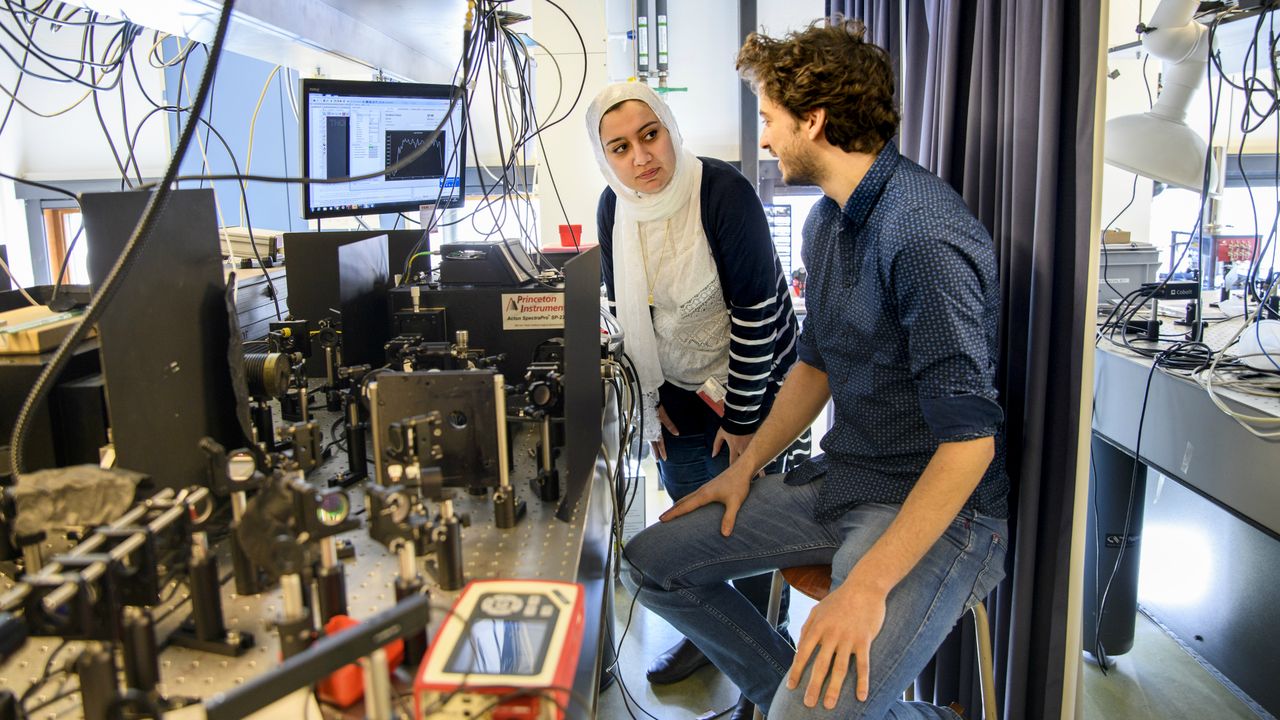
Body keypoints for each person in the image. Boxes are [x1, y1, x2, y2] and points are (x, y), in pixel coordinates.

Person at [623, 18, 1009, 720]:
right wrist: (745, 467)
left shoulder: (922, 234)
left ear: (815, 120)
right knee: (651, 564)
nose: (764, 137)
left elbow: (970, 444)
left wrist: (867, 588)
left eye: (769, 119)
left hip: (939, 513)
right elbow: (814, 365)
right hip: (847, 479)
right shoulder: (827, 223)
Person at [587, 81, 807, 718]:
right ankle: (715, 640)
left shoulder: (723, 193)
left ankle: (768, 671)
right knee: (693, 518)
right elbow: (621, 307)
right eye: (620, 147)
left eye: (650, 135)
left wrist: (744, 423)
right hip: (677, 390)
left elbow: (759, 311)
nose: (641, 158)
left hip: (758, 379)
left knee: (757, 529)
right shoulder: (613, 206)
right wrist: (644, 392)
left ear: (670, 130)